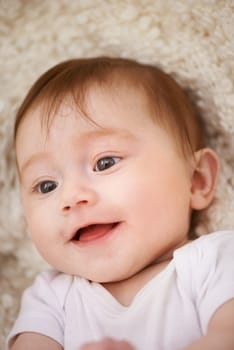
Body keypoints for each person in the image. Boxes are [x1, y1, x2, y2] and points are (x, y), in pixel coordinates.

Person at [6, 57, 234, 350]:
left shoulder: (213, 261)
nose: (71, 197)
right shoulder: (51, 298)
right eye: (46, 185)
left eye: (105, 163)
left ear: (196, 180)